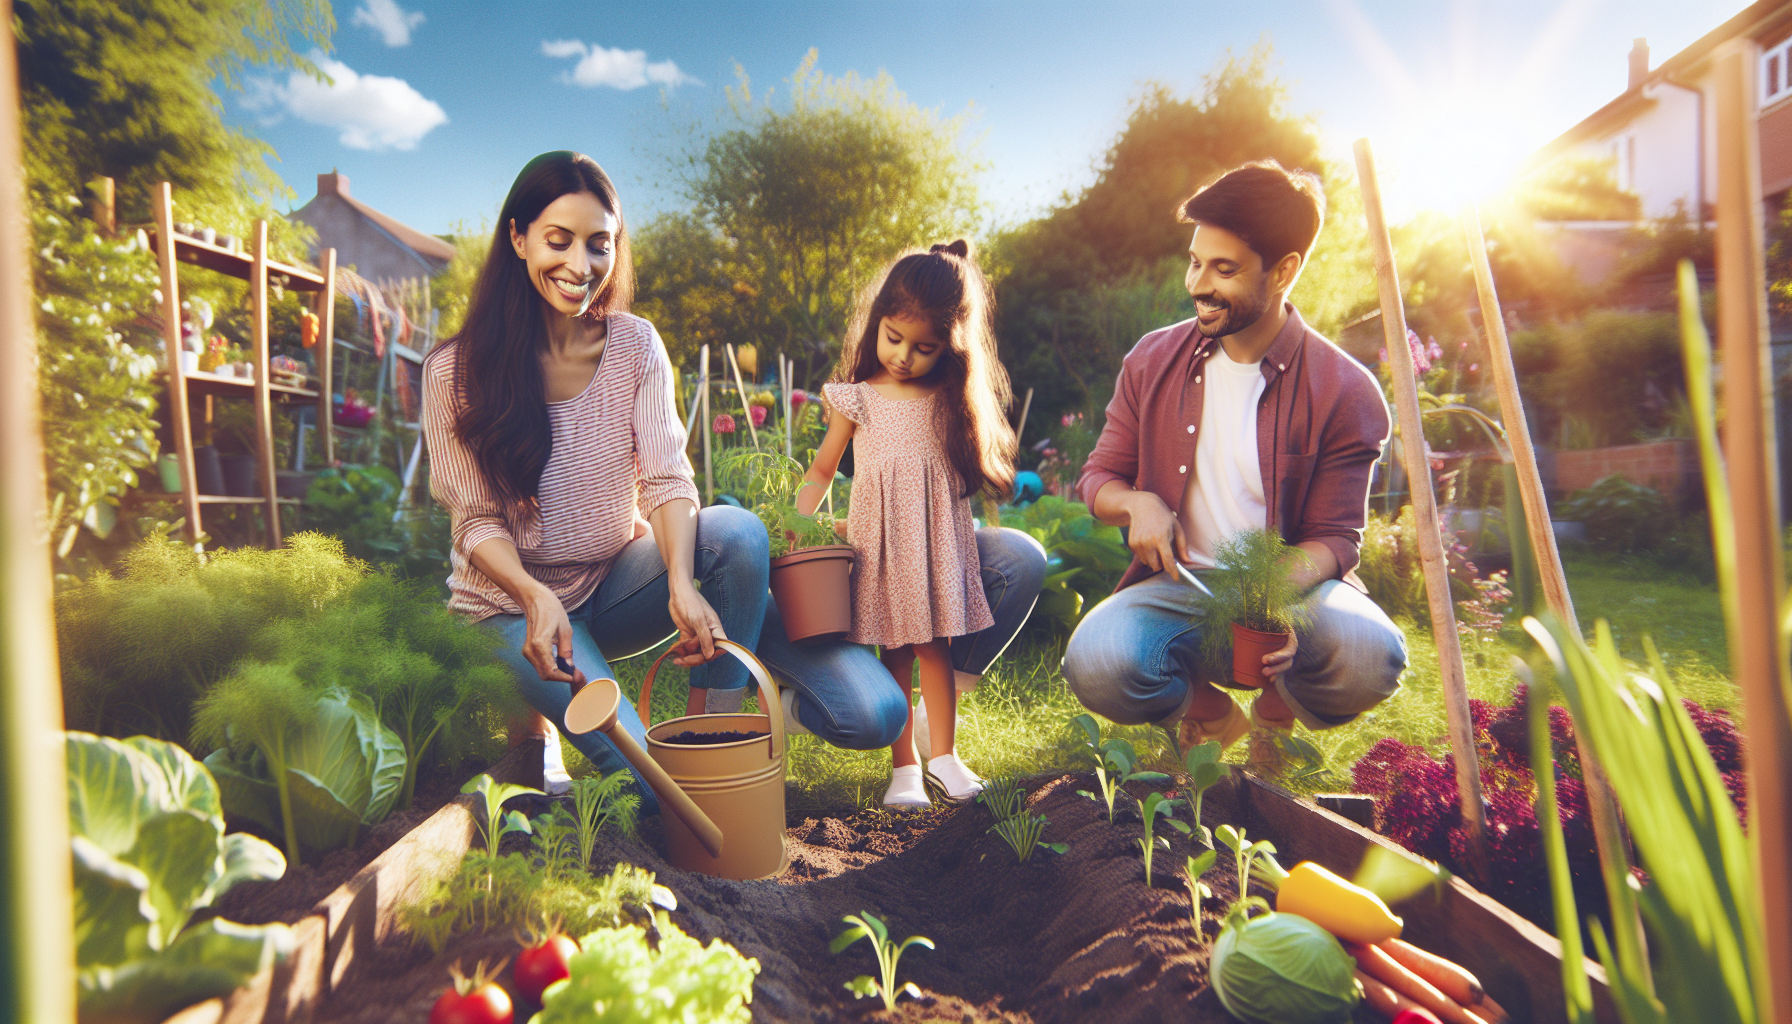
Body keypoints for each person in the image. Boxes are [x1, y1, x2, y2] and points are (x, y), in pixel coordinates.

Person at [423, 151, 769, 810]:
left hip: (614, 585)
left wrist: (679, 581)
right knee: (654, 792)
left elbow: (668, 477)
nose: (580, 266)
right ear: (519, 237)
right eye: (559, 241)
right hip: (509, 610)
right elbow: (474, 520)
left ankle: (713, 732)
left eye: (598, 245)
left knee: (738, 536)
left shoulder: (635, 346)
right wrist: (530, 594)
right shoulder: (454, 371)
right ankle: (557, 741)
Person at [1061, 160, 1408, 773]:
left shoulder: (1345, 392)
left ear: (1284, 271)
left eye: (1224, 269)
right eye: (1195, 261)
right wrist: (1137, 502)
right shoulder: (1151, 360)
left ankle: (1278, 715)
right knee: (1096, 659)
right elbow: (1098, 477)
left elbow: (1335, 538)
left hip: (1292, 589)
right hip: (1179, 588)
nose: (1199, 284)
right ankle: (1213, 717)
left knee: (1368, 652)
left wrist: (1273, 601)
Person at [795, 241, 1016, 808]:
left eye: (924, 347)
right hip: (882, 547)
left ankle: (944, 756)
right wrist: (797, 522)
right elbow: (823, 468)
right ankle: (905, 769)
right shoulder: (859, 397)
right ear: (877, 324)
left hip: (933, 544)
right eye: (893, 338)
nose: (903, 356)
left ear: (950, 346)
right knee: (893, 651)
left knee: (934, 648)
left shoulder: (948, 397)